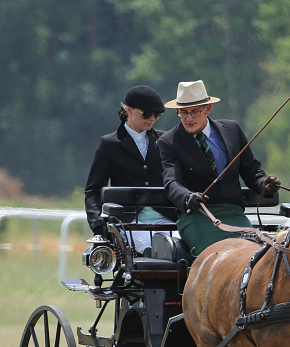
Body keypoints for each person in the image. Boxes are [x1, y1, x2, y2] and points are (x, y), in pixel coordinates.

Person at [157, 80, 279, 256]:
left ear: (207, 109)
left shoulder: (232, 130)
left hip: (234, 213)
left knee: (260, 256)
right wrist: (187, 197)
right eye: (183, 113)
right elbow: (172, 181)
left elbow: (252, 171)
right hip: (197, 217)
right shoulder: (169, 141)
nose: (188, 118)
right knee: (214, 257)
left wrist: (264, 184)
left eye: (194, 112)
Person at [84, 85, 176, 254]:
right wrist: (98, 226)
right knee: (152, 253)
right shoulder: (109, 144)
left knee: (182, 254)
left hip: (168, 220)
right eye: (147, 114)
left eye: (157, 115)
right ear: (129, 110)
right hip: (129, 223)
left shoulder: (165, 141)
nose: (152, 119)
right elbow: (93, 190)